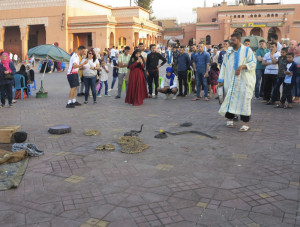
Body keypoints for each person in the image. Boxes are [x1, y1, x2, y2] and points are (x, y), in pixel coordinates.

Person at [218, 32, 256, 132]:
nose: (231, 42)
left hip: (244, 81)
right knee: (230, 99)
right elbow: (224, 66)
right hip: (230, 80)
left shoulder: (247, 50)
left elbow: (253, 63)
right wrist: (221, 80)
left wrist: (243, 66)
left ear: (239, 40)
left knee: (244, 101)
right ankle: (230, 119)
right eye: (231, 40)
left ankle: (245, 123)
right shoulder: (228, 52)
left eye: (233, 40)